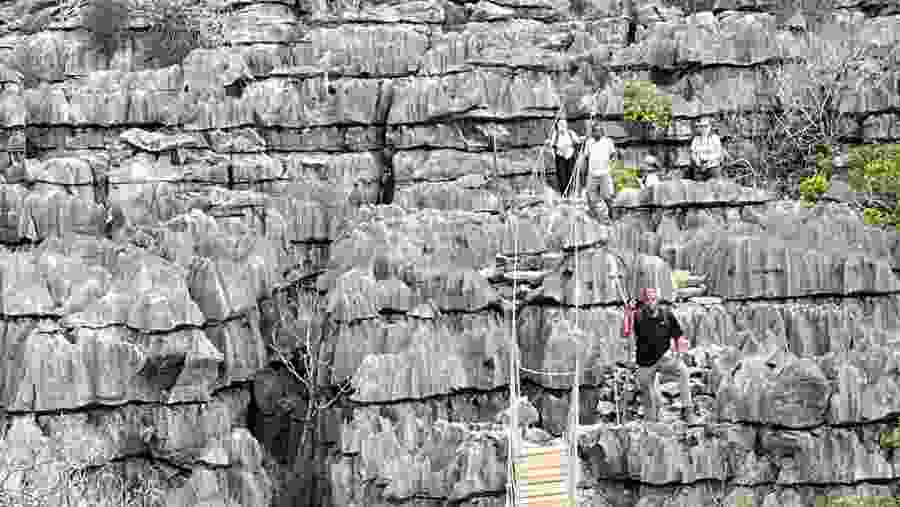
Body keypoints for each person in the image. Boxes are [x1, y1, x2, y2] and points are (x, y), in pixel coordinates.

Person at [623, 287, 698, 424]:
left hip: (664, 358)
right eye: (647, 300)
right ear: (643, 302)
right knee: (649, 396)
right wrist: (628, 313)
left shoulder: (666, 314)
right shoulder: (638, 316)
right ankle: (652, 421)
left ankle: (687, 409)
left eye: (653, 299)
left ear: (657, 300)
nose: (651, 302)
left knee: (683, 371)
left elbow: (678, 335)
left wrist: (679, 352)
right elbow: (627, 332)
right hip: (645, 362)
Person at [574, 123, 617, 221]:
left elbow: (614, 154)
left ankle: (611, 212)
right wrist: (582, 167)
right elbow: (585, 156)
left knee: (607, 196)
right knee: (590, 195)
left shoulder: (608, 142)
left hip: (604, 173)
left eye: (597, 131)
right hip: (592, 173)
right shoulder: (589, 142)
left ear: (601, 132)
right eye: (594, 131)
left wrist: (612, 163)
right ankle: (595, 215)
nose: (595, 133)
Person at [551, 117, 583, 196]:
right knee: (562, 176)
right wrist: (553, 154)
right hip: (560, 157)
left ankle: (569, 192)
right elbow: (552, 145)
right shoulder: (556, 134)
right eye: (560, 124)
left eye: (564, 123)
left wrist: (582, 140)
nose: (562, 125)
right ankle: (563, 193)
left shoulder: (570, 133)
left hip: (570, 157)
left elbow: (578, 141)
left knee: (570, 175)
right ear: (557, 125)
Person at [689, 117, 724, 181]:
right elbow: (692, 153)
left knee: (714, 185)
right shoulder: (696, 139)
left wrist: (709, 162)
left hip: (712, 167)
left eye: (706, 126)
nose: (703, 128)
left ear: (710, 127)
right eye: (701, 126)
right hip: (699, 167)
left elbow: (718, 153)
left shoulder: (714, 138)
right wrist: (697, 161)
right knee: (699, 185)